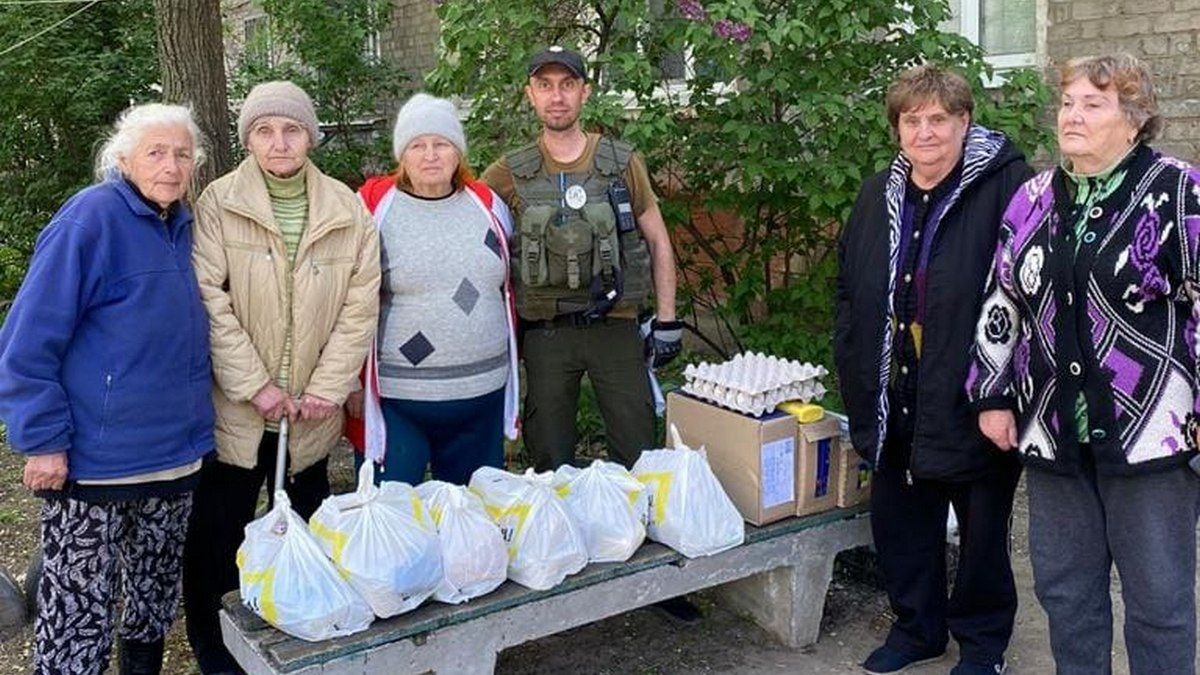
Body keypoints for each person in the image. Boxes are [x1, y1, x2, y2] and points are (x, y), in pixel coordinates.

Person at [968, 53, 1200, 675]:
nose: (1072, 115)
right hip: (1053, 434)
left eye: (1092, 104)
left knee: (1159, 602)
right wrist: (991, 392)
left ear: (1134, 120)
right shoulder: (1032, 198)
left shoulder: (1179, 191)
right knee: (1067, 595)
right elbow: (1003, 299)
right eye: (1068, 102)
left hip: (1151, 438)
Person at [0, 103, 214, 675]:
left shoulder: (186, 224)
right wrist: (43, 440)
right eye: (155, 152)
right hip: (95, 464)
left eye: (182, 154)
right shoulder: (88, 221)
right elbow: (26, 341)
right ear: (122, 159)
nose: (170, 166)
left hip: (174, 457)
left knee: (152, 598)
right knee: (78, 611)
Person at [834, 64, 1031, 675]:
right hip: (896, 387)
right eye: (912, 120)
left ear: (964, 122)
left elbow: (1026, 291)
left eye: (938, 119)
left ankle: (982, 644)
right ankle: (918, 628)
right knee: (901, 518)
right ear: (897, 128)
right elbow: (849, 283)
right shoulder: (877, 194)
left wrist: (1001, 388)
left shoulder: (1009, 188)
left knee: (980, 530)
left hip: (975, 389)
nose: (925, 133)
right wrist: (853, 355)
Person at [182, 81, 380, 674]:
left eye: (291, 130)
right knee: (219, 538)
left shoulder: (347, 208)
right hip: (240, 412)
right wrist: (254, 384)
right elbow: (208, 301)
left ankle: (301, 632)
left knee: (308, 533)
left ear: (311, 136)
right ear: (248, 139)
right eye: (264, 131)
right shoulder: (218, 202)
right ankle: (215, 648)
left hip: (311, 414)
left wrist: (326, 384)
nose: (279, 143)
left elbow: (359, 305)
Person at [481, 46, 681, 473]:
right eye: (545, 85)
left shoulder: (622, 162)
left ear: (585, 93)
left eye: (567, 85)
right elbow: (466, 227)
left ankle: (637, 534)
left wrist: (667, 322)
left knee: (639, 452)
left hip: (617, 326)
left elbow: (659, 242)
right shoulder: (508, 172)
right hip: (547, 335)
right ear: (530, 94)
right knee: (549, 459)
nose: (557, 96)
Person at [347, 92, 518, 485]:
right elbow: (345, 299)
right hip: (399, 402)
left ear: (457, 152)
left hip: (482, 399)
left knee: (472, 527)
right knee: (395, 524)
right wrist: (350, 382)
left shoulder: (487, 204)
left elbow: (510, 283)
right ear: (401, 155)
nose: (430, 155)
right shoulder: (372, 207)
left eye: (441, 144)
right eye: (417, 145)